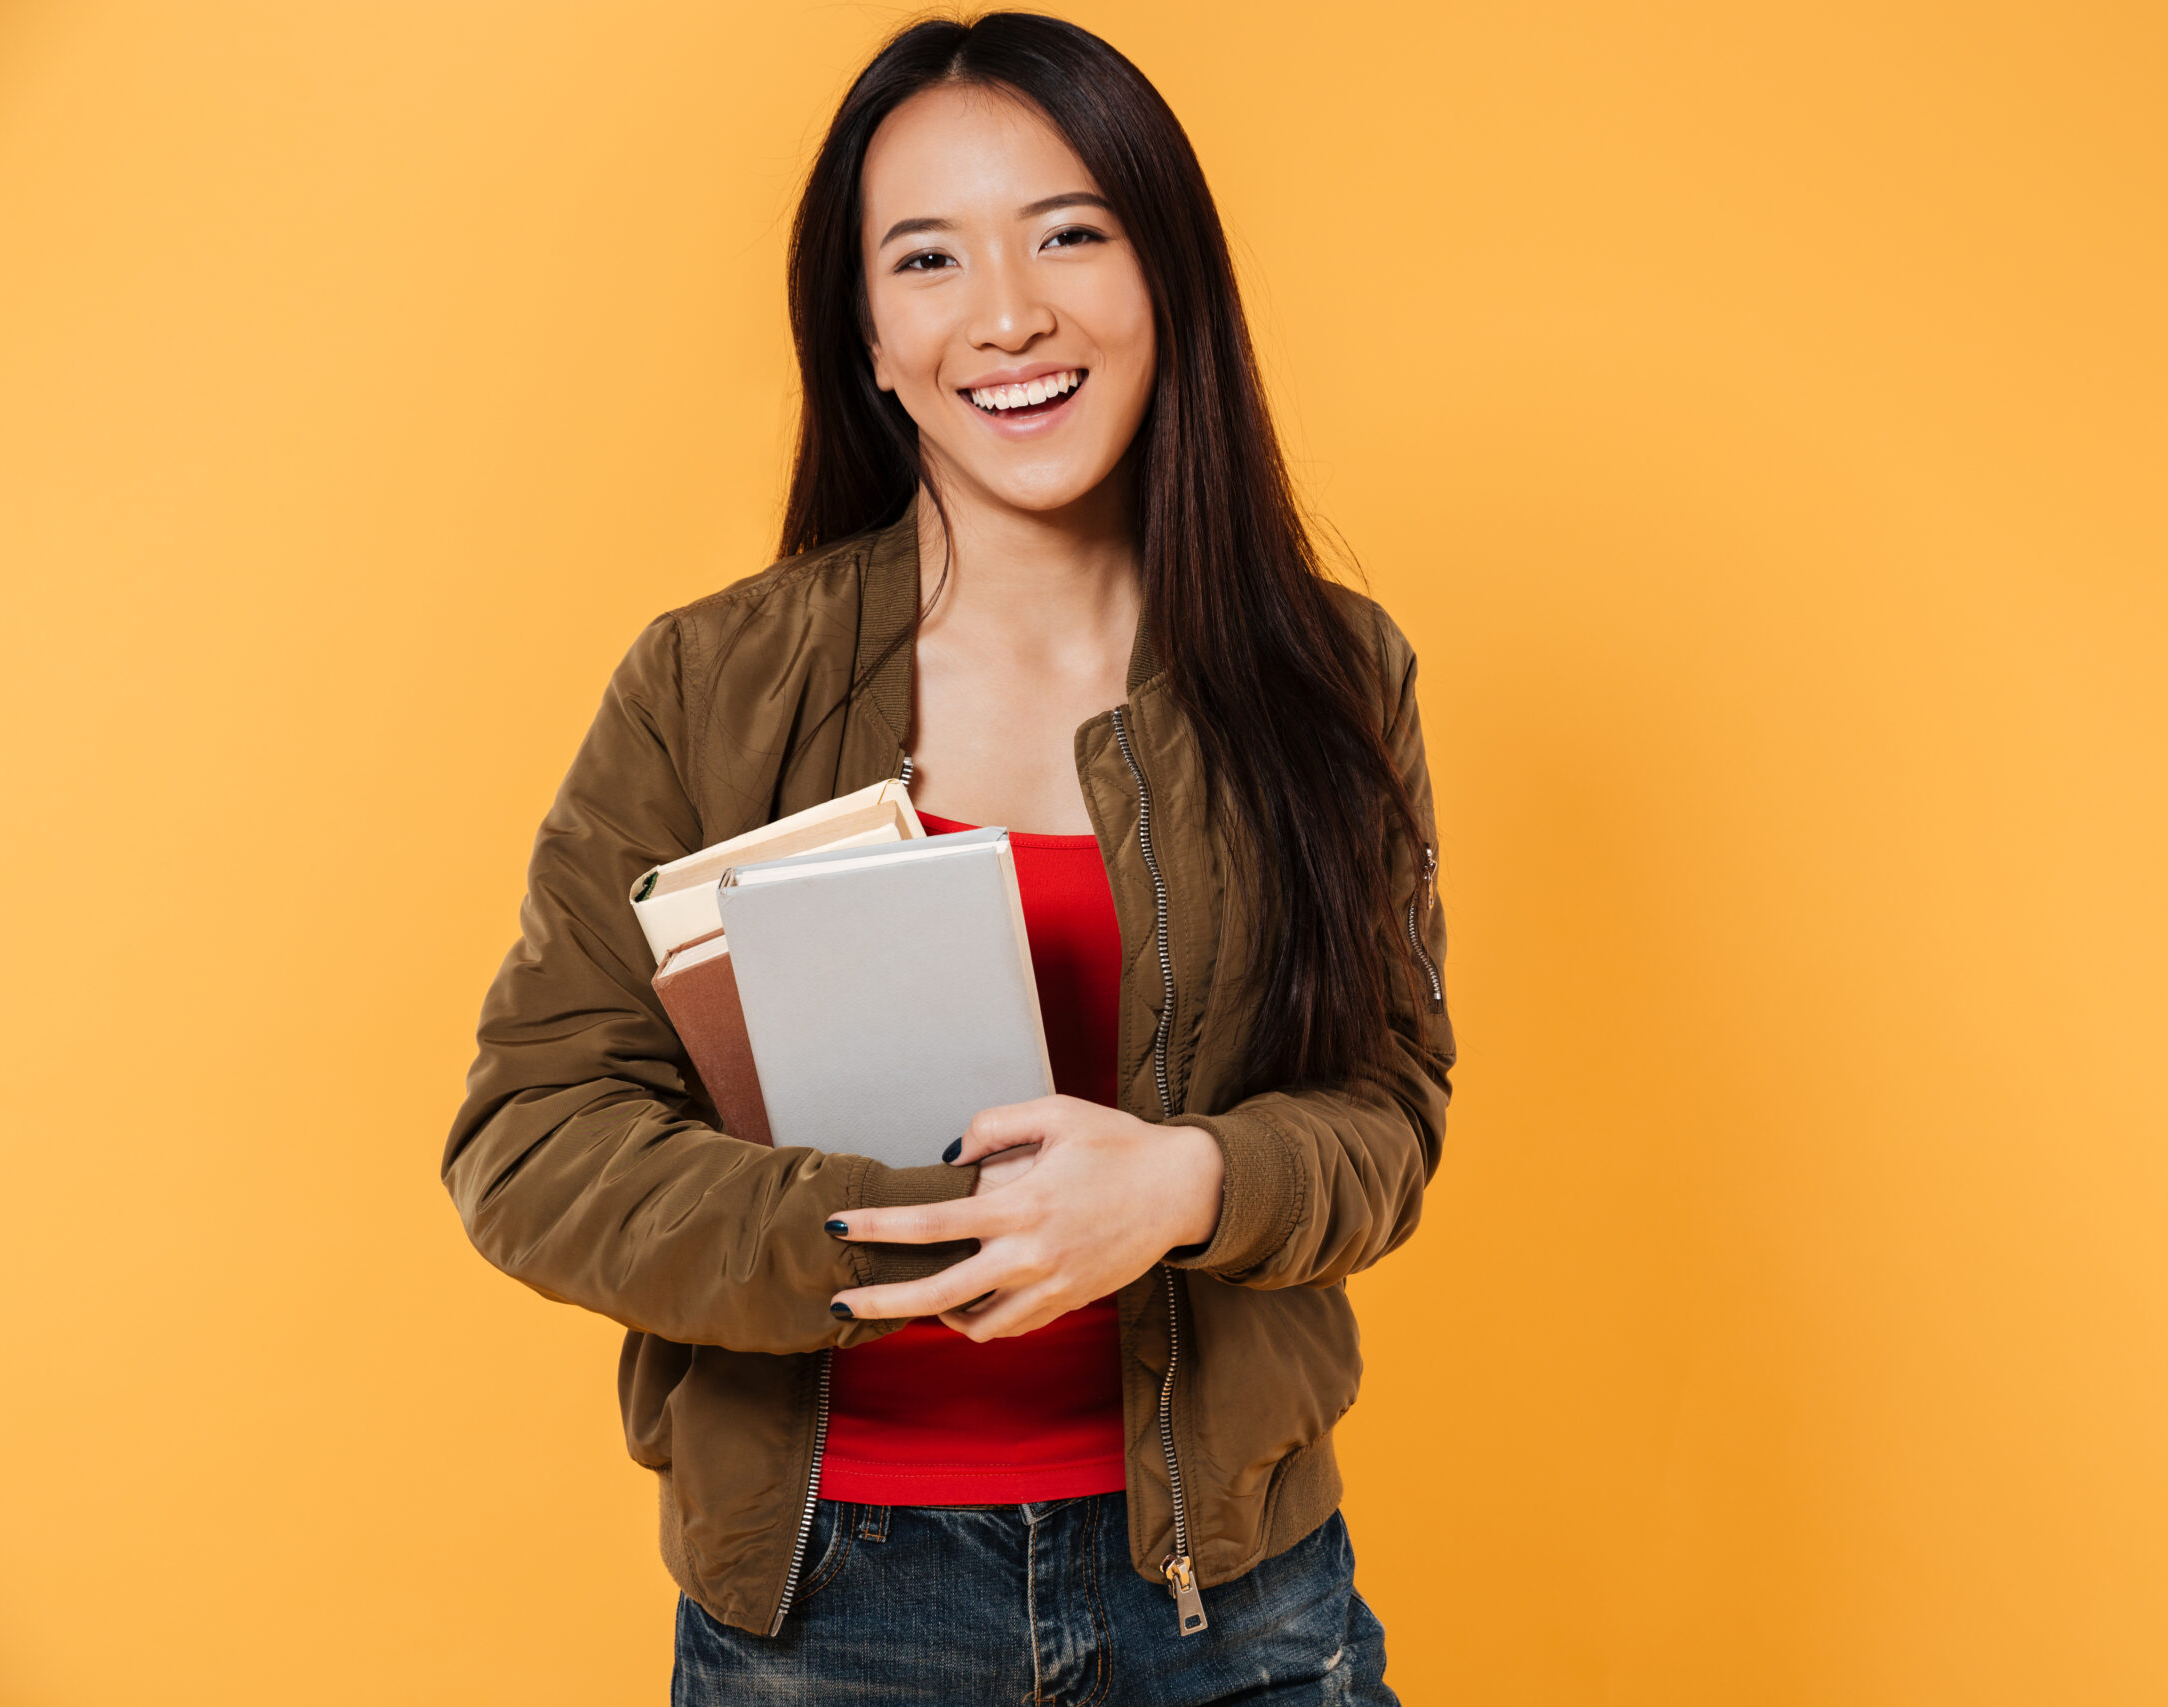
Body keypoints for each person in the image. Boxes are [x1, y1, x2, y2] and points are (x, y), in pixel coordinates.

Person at [442, 13, 1451, 1703]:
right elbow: (529, 1142)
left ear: (1169, 279)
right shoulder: (711, 683)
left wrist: (1178, 1187)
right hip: (833, 1607)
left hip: (1237, 1601)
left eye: (1071, 232)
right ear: (870, 340)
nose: (1009, 313)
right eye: (929, 258)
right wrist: (909, 1229)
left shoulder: (1332, 677)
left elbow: (1390, 1115)